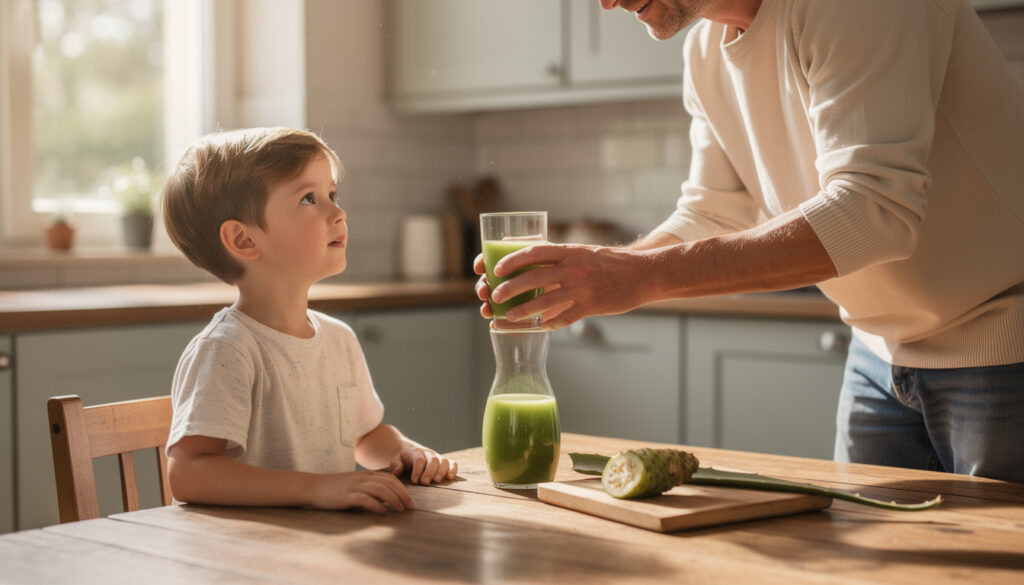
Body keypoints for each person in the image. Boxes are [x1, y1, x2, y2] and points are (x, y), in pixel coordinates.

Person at [475, 0, 1024, 482]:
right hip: (876, 355)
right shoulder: (705, 54)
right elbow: (715, 212)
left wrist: (636, 277)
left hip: (998, 342)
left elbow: (874, 210)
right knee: (866, 564)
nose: (608, 2)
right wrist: (592, 275)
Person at [163, 127, 457, 513]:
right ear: (244, 240)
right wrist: (317, 489)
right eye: (308, 198)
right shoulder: (227, 348)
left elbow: (365, 437)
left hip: (318, 548)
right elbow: (188, 474)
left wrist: (403, 450)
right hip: (244, 558)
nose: (338, 212)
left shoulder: (339, 339)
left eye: (331, 195)